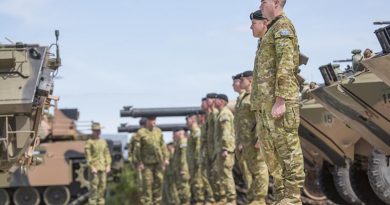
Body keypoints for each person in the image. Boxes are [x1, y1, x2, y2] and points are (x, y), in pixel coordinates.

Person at [251, 1, 305, 204]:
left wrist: (281, 99)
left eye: (264, 1)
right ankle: (282, 195)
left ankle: (292, 197)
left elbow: (285, 63)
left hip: (280, 100)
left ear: (275, 2)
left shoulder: (283, 26)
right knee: (273, 152)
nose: (260, 4)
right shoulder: (272, 30)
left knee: (288, 148)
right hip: (266, 103)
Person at [237, 71, 269, 205]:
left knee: (260, 167)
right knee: (252, 168)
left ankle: (260, 198)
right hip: (246, 140)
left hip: (255, 138)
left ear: (250, 80)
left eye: (242, 79)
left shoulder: (256, 95)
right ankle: (255, 196)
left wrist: (260, 138)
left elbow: (262, 118)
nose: (240, 82)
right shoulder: (245, 97)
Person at [133, 116, 169, 205]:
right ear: (147, 121)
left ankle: (157, 203)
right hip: (146, 164)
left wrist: (166, 158)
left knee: (159, 183)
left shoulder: (158, 131)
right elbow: (136, 149)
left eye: (155, 119)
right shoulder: (141, 133)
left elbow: (163, 146)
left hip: (158, 163)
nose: (154, 122)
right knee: (147, 186)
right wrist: (139, 162)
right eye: (151, 120)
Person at [214, 94, 236, 205]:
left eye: (216, 99)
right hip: (222, 149)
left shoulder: (225, 114)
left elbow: (226, 133)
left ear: (222, 101)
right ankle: (226, 199)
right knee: (222, 175)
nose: (214, 101)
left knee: (227, 174)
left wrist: (225, 148)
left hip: (226, 149)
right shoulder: (220, 114)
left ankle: (231, 200)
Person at [232, 72, 252, 191]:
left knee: (255, 170)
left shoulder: (251, 97)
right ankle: (252, 196)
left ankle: (258, 198)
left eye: (237, 81)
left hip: (249, 140)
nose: (233, 85)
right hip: (242, 140)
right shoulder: (241, 100)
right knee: (246, 170)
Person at [85, 122, 112, 205]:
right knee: (94, 190)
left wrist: (108, 165)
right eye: (96, 130)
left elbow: (107, 153)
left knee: (102, 189)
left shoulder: (103, 142)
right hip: (95, 169)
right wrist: (91, 166)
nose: (98, 132)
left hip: (103, 168)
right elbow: (88, 155)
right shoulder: (89, 142)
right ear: (92, 131)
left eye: (99, 130)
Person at [199, 98, 216, 204]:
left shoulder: (215, 115)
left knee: (217, 175)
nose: (202, 105)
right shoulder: (209, 117)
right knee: (209, 176)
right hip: (209, 151)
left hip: (215, 150)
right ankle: (213, 198)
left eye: (204, 102)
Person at [186, 113, 204, 204]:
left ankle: (200, 201)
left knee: (198, 183)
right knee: (195, 183)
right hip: (193, 164)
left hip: (197, 163)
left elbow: (198, 147)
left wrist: (197, 161)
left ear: (192, 120)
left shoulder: (196, 132)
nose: (186, 122)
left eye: (187, 120)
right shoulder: (191, 133)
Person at [128, 117, 147, 199]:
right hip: (140, 164)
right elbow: (130, 151)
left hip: (150, 164)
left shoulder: (151, 134)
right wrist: (134, 164)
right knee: (142, 186)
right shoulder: (135, 136)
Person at [172, 128, 191, 204]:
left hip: (183, 169)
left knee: (184, 186)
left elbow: (183, 157)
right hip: (180, 169)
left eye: (175, 134)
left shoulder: (183, 142)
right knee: (180, 188)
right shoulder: (179, 142)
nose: (173, 136)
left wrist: (183, 169)